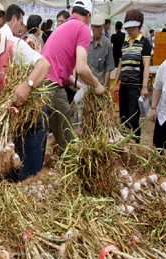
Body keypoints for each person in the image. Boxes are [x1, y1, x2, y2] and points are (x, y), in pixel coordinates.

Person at [0, 13, 50, 181]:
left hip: (32, 122)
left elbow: (44, 64)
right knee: (13, 174)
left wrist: (27, 84)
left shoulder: (15, 45)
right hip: (15, 125)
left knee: (28, 179)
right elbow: (1, 95)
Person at [41, 0, 105, 154]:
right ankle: (72, 172)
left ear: (72, 13)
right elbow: (82, 68)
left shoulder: (62, 27)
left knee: (41, 137)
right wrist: (97, 85)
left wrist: (80, 86)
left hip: (40, 85)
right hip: (52, 88)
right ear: (88, 15)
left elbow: (57, 69)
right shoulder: (82, 28)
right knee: (68, 143)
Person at [112, 9, 151, 143]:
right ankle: (125, 144)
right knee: (122, 117)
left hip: (136, 86)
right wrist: (116, 83)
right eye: (128, 27)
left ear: (139, 26)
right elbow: (120, 65)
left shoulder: (144, 43)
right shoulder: (124, 43)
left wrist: (144, 87)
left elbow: (146, 67)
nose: (130, 30)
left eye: (132, 27)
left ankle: (135, 145)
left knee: (133, 117)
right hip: (124, 85)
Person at [88, 14, 115, 89]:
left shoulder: (107, 44)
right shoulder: (87, 42)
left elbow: (108, 67)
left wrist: (104, 86)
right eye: (94, 26)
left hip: (101, 84)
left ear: (102, 26)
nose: (96, 29)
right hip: (87, 85)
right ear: (91, 27)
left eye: (99, 27)